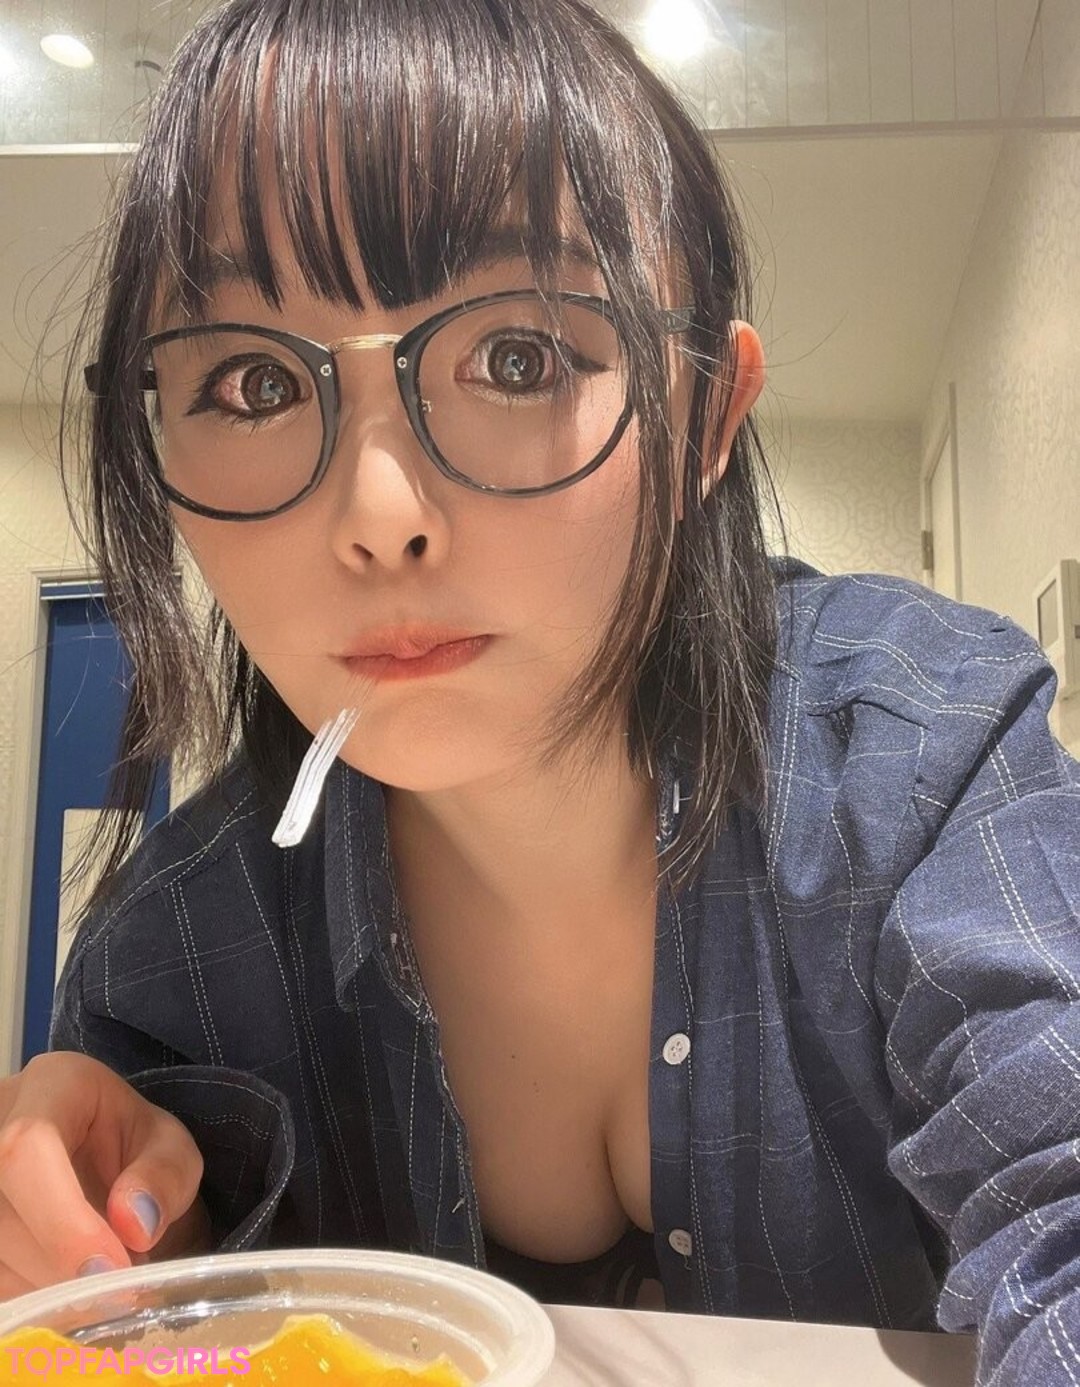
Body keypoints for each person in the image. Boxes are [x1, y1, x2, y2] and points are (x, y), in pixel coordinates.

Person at [1, 0, 1078, 1379]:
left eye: (519, 358)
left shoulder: (923, 762)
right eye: (255, 383)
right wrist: (153, 1273)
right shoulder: (172, 962)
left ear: (707, 416)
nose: (380, 517)